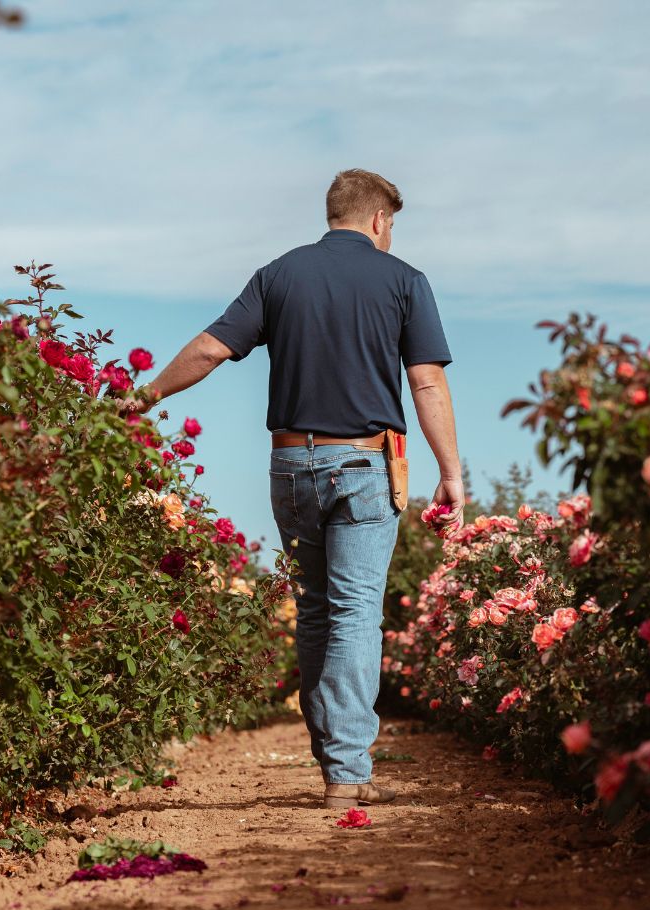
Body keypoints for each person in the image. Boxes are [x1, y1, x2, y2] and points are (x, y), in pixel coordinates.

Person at [129, 168, 464, 809]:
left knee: (316, 611)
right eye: (391, 224)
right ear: (377, 221)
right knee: (356, 611)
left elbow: (211, 348)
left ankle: (333, 755)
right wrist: (450, 472)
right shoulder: (404, 281)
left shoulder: (278, 274)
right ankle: (346, 770)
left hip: (291, 466)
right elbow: (426, 383)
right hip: (366, 467)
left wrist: (146, 396)